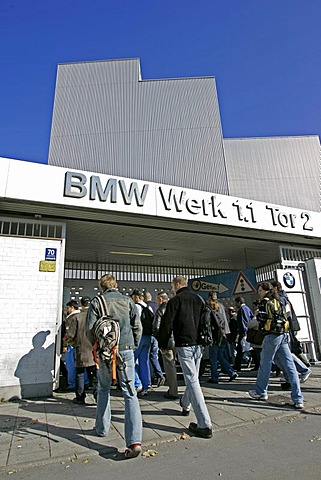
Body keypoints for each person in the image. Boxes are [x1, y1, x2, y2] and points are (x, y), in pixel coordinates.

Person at [86, 274, 143, 458]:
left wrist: (100, 345)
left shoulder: (97, 302)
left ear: (101, 287)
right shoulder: (128, 301)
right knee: (130, 393)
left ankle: (102, 428)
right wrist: (132, 345)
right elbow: (137, 326)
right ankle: (134, 441)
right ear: (116, 285)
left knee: (103, 388)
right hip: (126, 350)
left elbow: (90, 330)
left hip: (106, 352)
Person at [158, 276, 212, 439]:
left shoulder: (175, 302)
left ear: (177, 285)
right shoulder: (199, 299)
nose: (172, 289)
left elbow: (167, 324)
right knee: (192, 377)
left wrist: (163, 343)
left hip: (184, 344)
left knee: (192, 381)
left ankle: (204, 424)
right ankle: (186, 404)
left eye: (172, 286)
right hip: (199, 344)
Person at [249, 282, 304, 410]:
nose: (259, 293)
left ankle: (261, 391)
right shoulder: (279, 301)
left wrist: (257, 318)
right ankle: (298, 398)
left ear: (266, 291)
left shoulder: (264, 302)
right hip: (283, 334)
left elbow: (261, 320)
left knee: (265, 364)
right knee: (290, 366)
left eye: (260, 290)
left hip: (271, 336)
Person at [64, 299, 96, 405]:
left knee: (80, 373)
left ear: (81, 305)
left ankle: (80, 397)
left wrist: (69, 342)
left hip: (81, 348)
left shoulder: (76, 317)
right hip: (94, 349)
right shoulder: (95, 316)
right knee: (95, 374)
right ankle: (98, 395)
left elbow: (70, 335)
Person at [207, 291, 238, 384]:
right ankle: (231, 372)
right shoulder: (221, 306)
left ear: (209, 297)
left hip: (215, 335)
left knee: (213, 357)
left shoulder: (209, 307)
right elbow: (225, 320)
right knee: (221, 356)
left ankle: (214, 377)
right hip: (224, 334)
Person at [153, 292, 178, 399]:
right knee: (176, 365)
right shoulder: (175, 307)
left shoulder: (160, 310)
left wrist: (161, 342)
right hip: (178, 340)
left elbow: (156, 327)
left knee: (169, 366)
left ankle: (173, 391)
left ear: (160, 299)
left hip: (167, 342)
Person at [234, 297, 254, 371]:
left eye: (236, 303)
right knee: (247, 348)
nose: (236, 305)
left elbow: (242, 322)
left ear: (239, 302)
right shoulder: (247, 309)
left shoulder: (241, 310)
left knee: (241, 349)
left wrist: (243, 332)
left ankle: (237, 365)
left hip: (244, 332)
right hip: (248, 330)